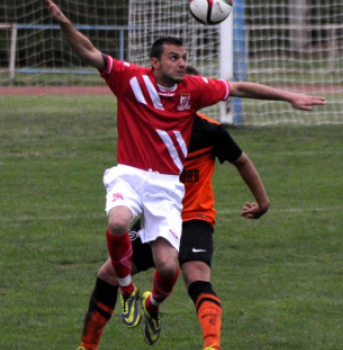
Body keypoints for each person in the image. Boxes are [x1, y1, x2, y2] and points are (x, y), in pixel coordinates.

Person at [43, 0, 327, 348]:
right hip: (131, 173)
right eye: (174, 57)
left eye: (183, 57)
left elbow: (237, 88)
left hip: (167, 189)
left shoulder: (194, 93)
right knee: (117, 224)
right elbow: (89, 51)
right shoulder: (130, 80)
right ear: (155, 62)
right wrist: (63, 22)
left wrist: (288, 96)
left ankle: (151, 305)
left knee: (167, 268)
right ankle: (121, 302)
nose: (182, 63)